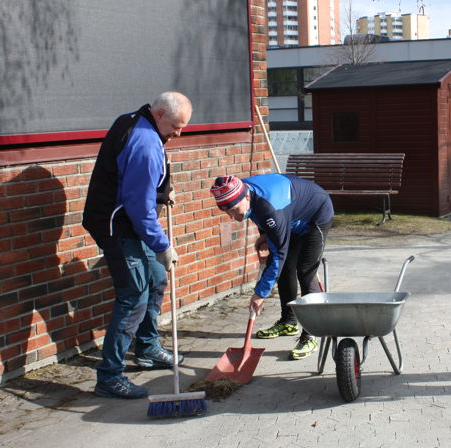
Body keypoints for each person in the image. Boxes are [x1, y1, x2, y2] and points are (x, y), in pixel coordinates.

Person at [83, 92, 192, 399]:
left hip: (126, 220)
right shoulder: (145, 144)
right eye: (175, 125)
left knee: (156, 278)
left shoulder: (136, 121)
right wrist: (162, 245)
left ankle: (147, 349)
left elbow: (139, 189)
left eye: (182, 126)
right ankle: (109, 377)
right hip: (117, 226)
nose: (178, 133)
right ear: (158, 114)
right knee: (134, 297)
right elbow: (139, 209)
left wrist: (161, 193)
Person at [210, 174, 334, 360]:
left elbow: (278, 254)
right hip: (289, 216)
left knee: (305, 271)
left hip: (315, 215)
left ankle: (311, 332)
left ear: (245, 197)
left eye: (234, 210)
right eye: (227, 212)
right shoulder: (242, 189)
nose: (233, 217)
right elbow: (263, 220)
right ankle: (288, 321)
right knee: (285, 270)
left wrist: (260, 293)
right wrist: (266, 236)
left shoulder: (269, 208)